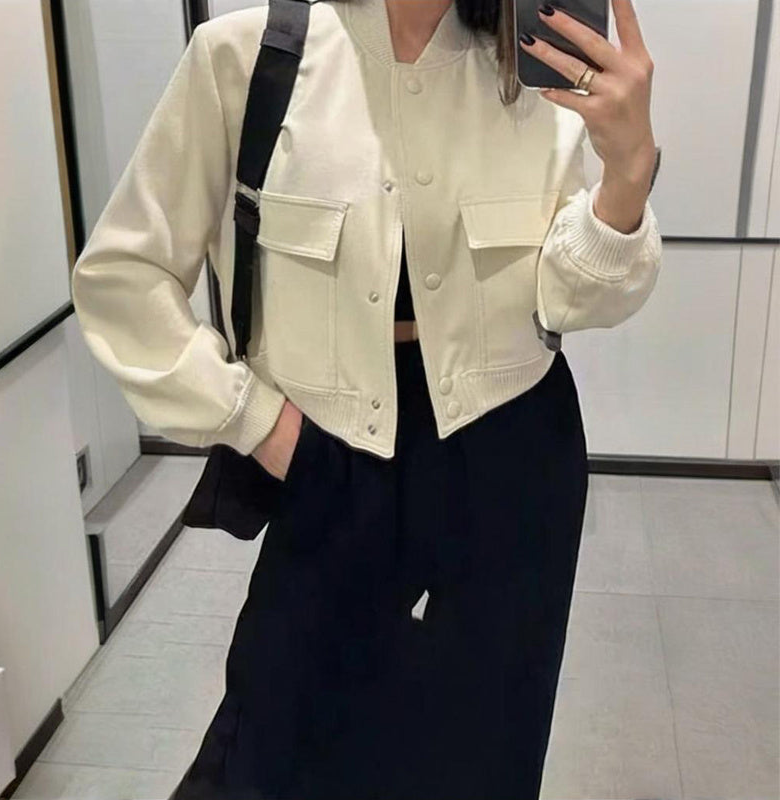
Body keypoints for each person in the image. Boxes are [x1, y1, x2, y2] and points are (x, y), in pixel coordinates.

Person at [71, 0, 662, 797]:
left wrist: (626, 174)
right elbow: (123, 277)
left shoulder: (528, 69)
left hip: (513, 457)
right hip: (326, 452)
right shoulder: (249, 57)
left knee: (482, 754)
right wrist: (258, 423)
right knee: (279, 748)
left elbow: (568, 298)